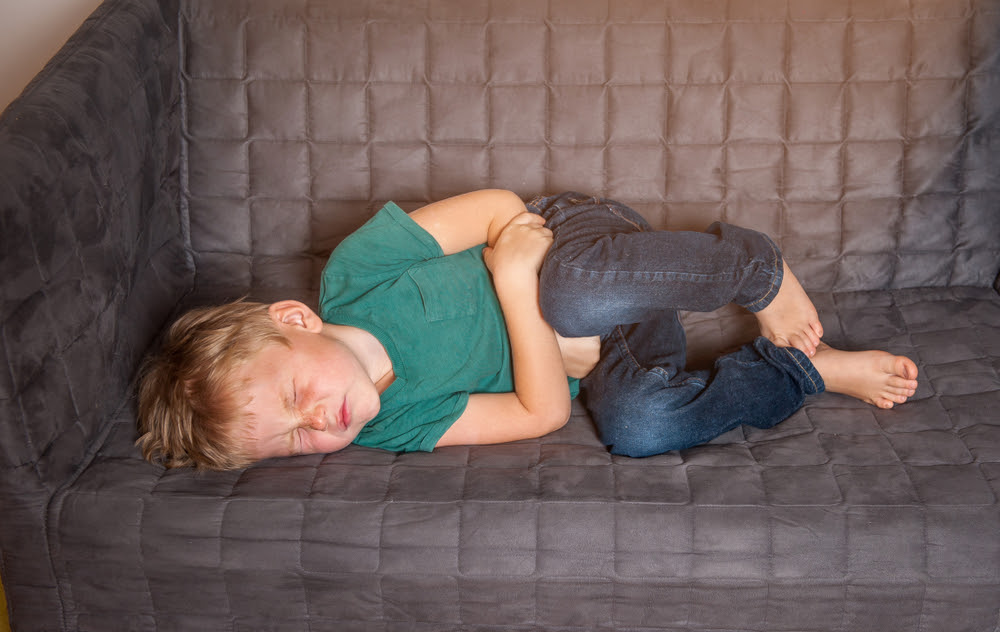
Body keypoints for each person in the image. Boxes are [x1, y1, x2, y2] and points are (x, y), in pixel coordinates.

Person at [137, 189, 919, 470]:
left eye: (294, 396)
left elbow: (495, 210)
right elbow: (538, 413)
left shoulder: (357, 274)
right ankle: (809, 373)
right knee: (639, 425)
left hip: (576, 248)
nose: (318, 420)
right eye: (294, 440)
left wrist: (521, 283)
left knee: (570, 298)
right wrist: (538, 335)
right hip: (608, 344)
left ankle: (754, 269)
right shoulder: (394, 424)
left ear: (296, 321)